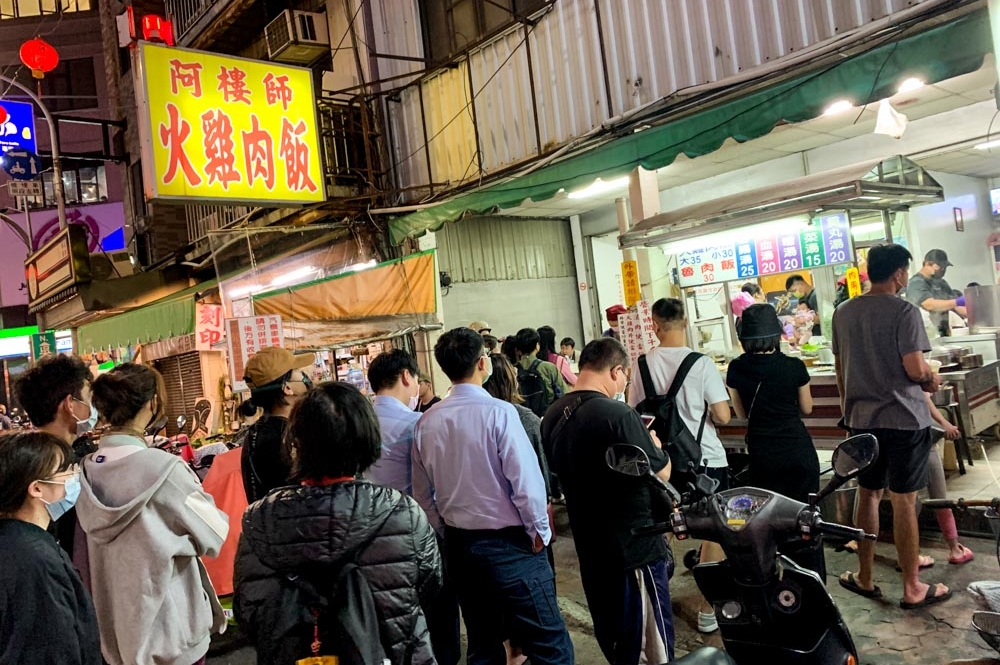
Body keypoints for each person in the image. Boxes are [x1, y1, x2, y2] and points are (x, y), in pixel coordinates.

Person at [235, 382, 443, 665]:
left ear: (296, 443)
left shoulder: (258, 520)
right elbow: (429, 587)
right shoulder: (402, 512)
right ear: (367, 438)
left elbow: (249, 612)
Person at [413, 327, 573, 664]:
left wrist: (445, 533)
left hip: (460, 547)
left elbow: (423, 495)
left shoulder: (427, 422)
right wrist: (539, 533)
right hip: (511, 545)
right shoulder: (501, 413)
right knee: (549, 643)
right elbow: (526, 485)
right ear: (482, 363)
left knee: (483, 642)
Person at [76, 363, 229, 665]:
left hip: (117, 641)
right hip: (172, 639)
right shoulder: (166, 471)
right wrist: (174, 541)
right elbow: (215, 533)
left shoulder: (86, 472)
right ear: (152, 403)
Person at [832, 243, 951, 609]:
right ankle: (912, 586)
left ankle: (865, 577)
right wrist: (931, 380)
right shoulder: (905, 311)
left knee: (868, 493)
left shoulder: (843, 312)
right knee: (904, 500)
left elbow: (841, 371)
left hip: (863, 421)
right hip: (903, 420)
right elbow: (915, 370)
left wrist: (850, 410)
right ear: (899, 274)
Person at [543, 338, 675, 664]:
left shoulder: (552, 415)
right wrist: (654, 443)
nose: (624, 384)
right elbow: (662, 474)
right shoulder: (618, 415)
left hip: (591, 549)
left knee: (616, 640)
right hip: (634, 551)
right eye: (625, 378)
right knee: (649, 647)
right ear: (617, 370)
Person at [628, 297, 731, 633]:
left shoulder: (642, 364)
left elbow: (635, 415)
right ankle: (706, 609)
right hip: (705, 462)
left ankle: (654, 608)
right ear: (685, 321)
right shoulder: (701, 364)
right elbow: (723, 415)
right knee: (713, 531)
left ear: (655, 325)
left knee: (666, 527)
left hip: (663, 465)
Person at [367, 350, 462, 665]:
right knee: (437, 622)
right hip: (416, 538)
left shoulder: (356, 423)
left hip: (368, 543)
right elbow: (435, 487)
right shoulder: (416, 424)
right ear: (407, 377)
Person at [725, 304, 824, 577]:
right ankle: (810, 579)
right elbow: (807, 408)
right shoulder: (793, 366)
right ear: (777, 333)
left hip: (763, 455)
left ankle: (775, 582)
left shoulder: (736, 368)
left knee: (768, 521)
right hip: (797, 452)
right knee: (806, 520)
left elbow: (743, 414)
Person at [0, 431, 102, 665]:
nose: (74, 476)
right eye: (65, 471)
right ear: (36, 488)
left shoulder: (16, 540)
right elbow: (53, 647)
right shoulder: (35, 561)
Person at [14, 353, 96, 559]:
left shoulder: (18, 462)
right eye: (88, 398)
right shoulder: (72, 466)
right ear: (70, 404)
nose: (93, 406)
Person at [239, 346, 314, 502]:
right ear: (287, 387)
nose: (305, 376)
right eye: (298, 371)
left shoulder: (255, 434)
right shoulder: (289, 437)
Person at [906, 249, 967, 337]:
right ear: (927, 264)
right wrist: (956, 302)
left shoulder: (942, 283)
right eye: (940, 267)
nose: (943, 270)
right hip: (926, 336)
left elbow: (957, 307)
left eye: (945, 267)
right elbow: (929, 304)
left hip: (944, 334)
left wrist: (974, 314)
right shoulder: (916, 283)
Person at [515, 327, 569, 417]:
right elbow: (564, 395)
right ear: (537, 346)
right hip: (547, 417)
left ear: (518, 349)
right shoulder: (548, 368)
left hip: (521, 418)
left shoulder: (511, 370)